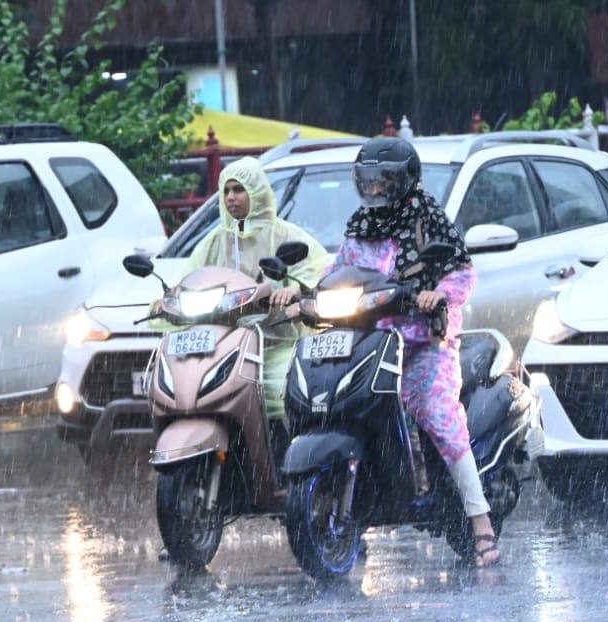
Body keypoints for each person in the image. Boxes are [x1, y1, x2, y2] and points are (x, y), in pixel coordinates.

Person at [328, 136, 500, 567]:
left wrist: (437, 294)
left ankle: (482, 526)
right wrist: (304, 293)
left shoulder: (430, 221)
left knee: (440, 418)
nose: (375, 190)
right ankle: (350, 516)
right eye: (368, 181)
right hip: (370, 341)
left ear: (405, 181)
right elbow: (337, 271)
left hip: (424, 342)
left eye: (384, 181)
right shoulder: (359, 228)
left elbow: (462, 274)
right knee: (347, 410)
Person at [185, 156, 330, 423]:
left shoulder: (285, 234)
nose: (231, 197)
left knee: (279, 394)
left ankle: (291, 456)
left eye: (239, 189)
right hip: (223, 346)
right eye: (226, 190)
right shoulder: (214, 242)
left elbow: (318, 272)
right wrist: (167, 301)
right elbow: (191, 279)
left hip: (279, 343)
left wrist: (294, 289)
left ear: (257, 192)